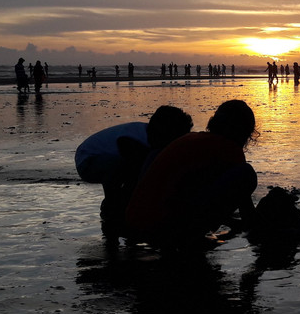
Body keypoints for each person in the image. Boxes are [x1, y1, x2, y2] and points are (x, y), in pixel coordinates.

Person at [126, 99, 258, 248]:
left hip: (135, 221)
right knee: (246, 174)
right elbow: (246, 210)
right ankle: (190, 239)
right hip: (163, 228)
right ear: (245, 132)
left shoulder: (192, 140)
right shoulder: (231, 151)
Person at [75, 106, 194, 234]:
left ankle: (121, 205)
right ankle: (111, 206)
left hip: (105, 159)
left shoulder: (151, 138)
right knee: (130, 170)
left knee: (136, 172)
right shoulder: (134, 139)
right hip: (89, 161)